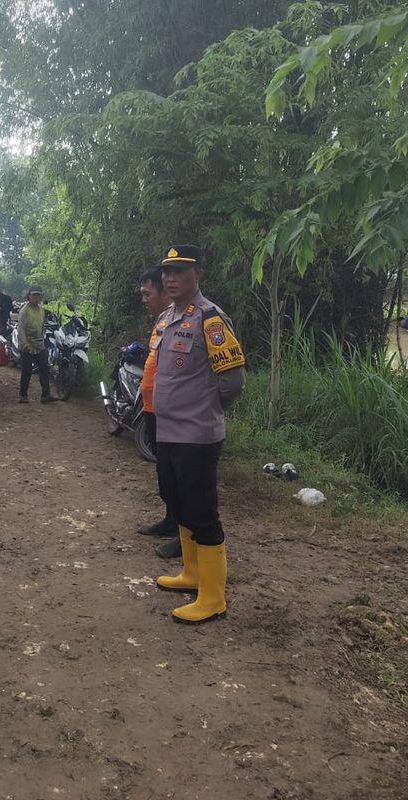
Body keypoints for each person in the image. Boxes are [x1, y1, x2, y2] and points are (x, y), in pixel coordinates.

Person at [152, 245, 245, 624]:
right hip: (168, 432)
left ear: (199, 274)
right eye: (166, 272)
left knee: (202, 512)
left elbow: (233, 381)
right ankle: (191, 574)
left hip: (197, 434)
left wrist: (206, 410)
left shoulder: (211, 319)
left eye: (179, 271)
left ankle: (213, 598)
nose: (170, 278)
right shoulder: (167, 317)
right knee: (178, 502)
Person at [133, 268, 179, 556]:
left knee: (177, 474)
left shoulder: (182, 321)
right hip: (152, 407)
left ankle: (185, 536)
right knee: (164, 472)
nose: (144, 300)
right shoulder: (163, 320)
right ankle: (170, 520)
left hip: (169, 412)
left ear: (164, 292)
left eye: (147, 294)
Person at [18, 285, 53, 403]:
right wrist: (25, 344)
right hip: (27, 344)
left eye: (38, 295)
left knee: (44, 369)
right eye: (34, 295)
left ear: (41, 297)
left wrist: (42, 340)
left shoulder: (41, 311)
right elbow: (21, 329)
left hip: (39, 343)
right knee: (26, 371)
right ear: (29, 296)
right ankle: (23, 395)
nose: (36, 298)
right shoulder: (24, 311)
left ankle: (46, 395)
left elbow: (42, 327)